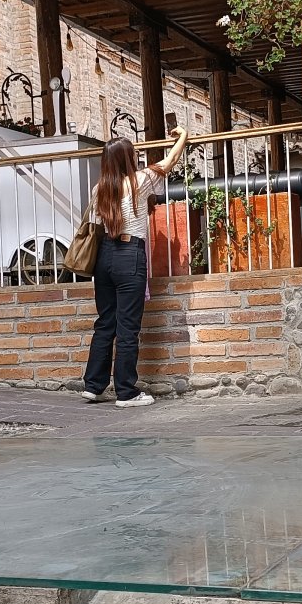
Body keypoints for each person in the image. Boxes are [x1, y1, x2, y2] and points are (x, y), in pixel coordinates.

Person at [81, 127, 189, 408]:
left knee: (105, 323)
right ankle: (126, 392)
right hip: (129, 255)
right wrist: (183, 136)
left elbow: (95, 226)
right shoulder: (140, 180)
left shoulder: (99, 189)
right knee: (127, 327)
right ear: (127, 158)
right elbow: (170, 162)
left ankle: (93, 386)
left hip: (103, 259)